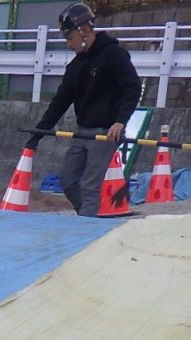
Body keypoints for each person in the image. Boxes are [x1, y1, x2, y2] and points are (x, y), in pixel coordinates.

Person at [25, 3, 141, 216]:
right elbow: (59, 103)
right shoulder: (75, 67)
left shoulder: (113, 55)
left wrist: (120, 121)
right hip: (82, 132)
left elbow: (133, 87)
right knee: (68, 180)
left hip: (105, 133)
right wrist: (38, 133)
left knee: (89, 185)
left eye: (70, 38)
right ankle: (89, 218)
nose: (69, 44)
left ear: (84, 30)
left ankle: (86, 224)